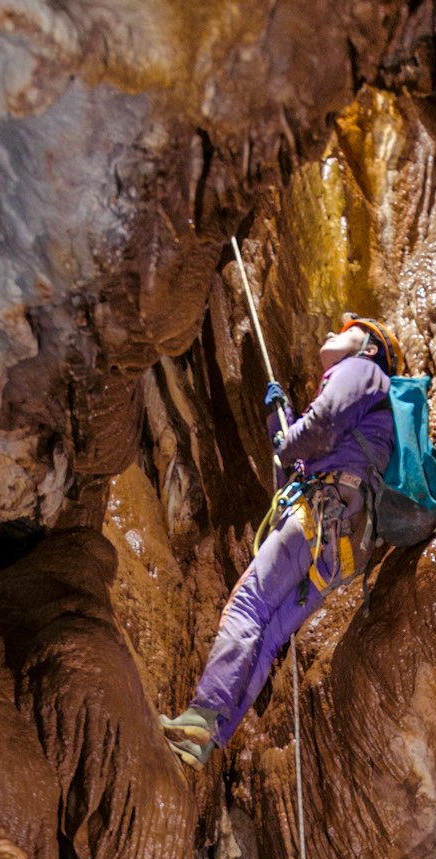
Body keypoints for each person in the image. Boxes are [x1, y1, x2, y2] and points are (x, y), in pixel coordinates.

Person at [161, 314, 402, 770]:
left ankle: (201, 716)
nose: (335, 331)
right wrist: (282, 420)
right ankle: (206, 738)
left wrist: (290, 435)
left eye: (348, 329)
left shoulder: (363, 370)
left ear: (368, 348)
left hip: (326, 512)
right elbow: (293, 470)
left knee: (248, 606)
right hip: (345, 543)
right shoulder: (373, 405)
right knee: (268, 635)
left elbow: (322, 425)